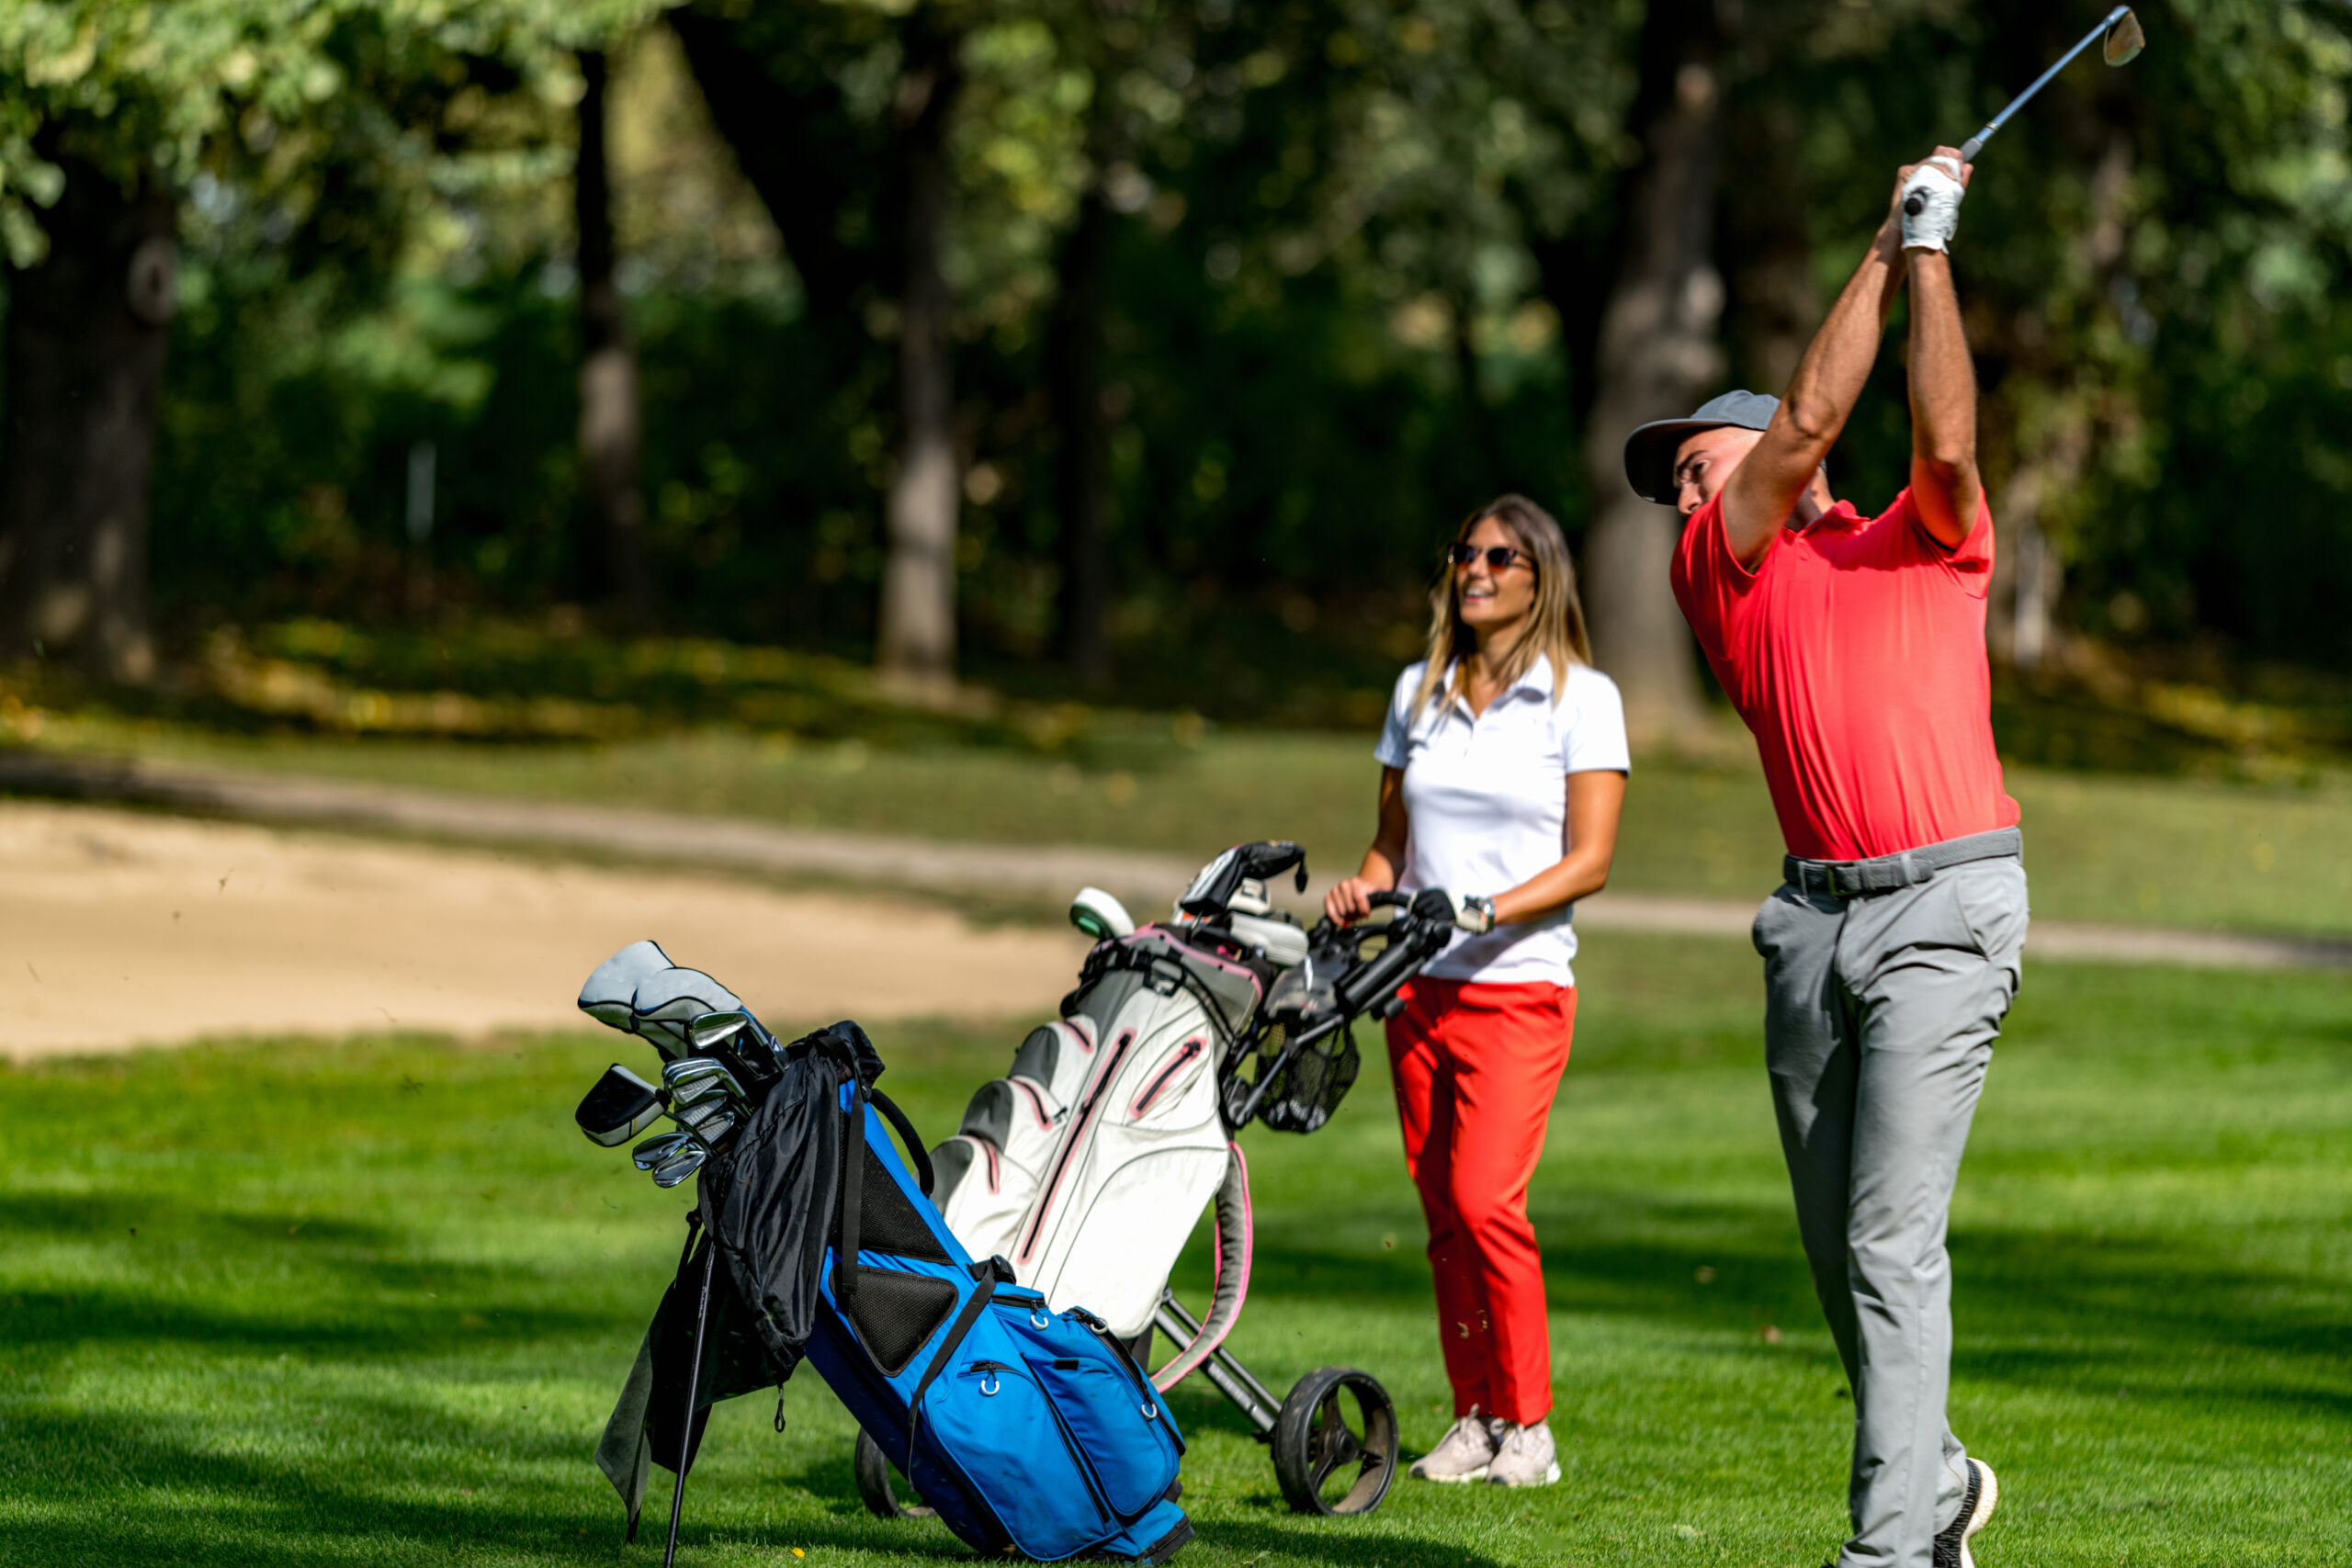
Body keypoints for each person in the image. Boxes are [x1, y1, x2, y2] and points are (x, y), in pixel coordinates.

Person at [1623, 149, 2023, 1568]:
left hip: (1947, 907)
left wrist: (1925, 251)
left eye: (1695, 465)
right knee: (1840, 1259)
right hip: (1809, 927)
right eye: (1674, 482)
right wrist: (1884, 235)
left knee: (1888, 1243)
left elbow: (1948, 444)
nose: (1682, 493)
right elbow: (1803, 413)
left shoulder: (1924, 537)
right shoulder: (1725, 571)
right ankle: (1939, 1480)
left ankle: (1885, 1550)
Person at [1324, 494, 1628, 1489]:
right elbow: (1389, 848)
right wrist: (1361, 891)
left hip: (1518, 989)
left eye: (1501, 555)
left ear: (1541, 575)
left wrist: (1486, 910)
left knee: (1485, 1198)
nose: (1477, 568)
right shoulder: (1417, 690)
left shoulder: (1585, 699)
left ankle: (1529, 1427)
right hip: (1415, 990)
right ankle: (1476, 1416)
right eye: (1465, 552)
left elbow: (1589, 861)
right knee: (1442, 1211)